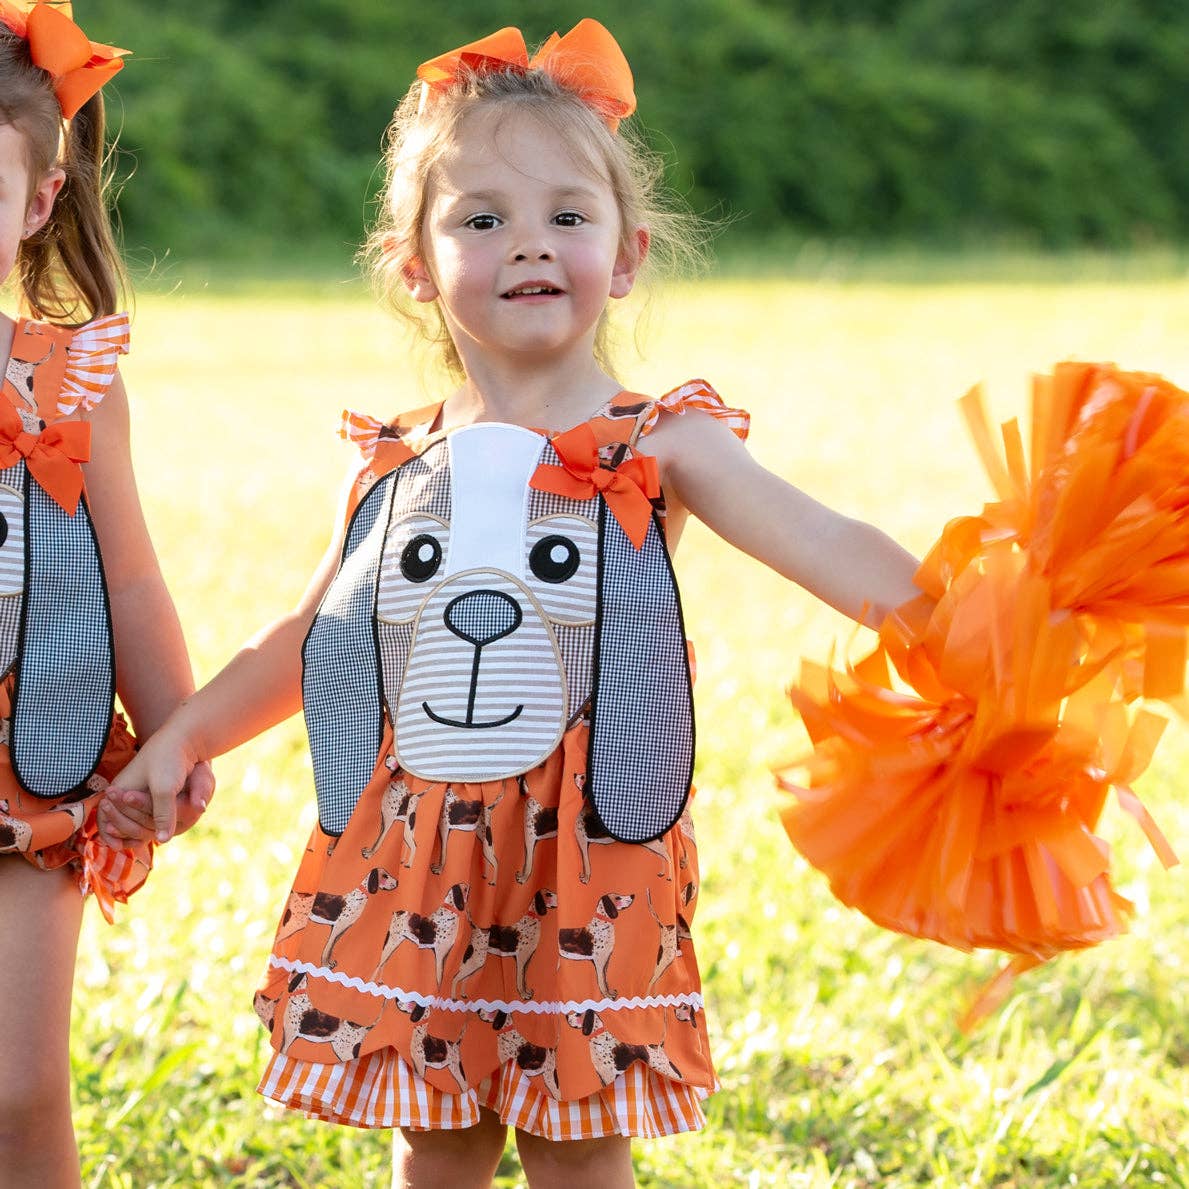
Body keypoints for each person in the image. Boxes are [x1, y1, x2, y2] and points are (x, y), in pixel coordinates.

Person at [102, 19, 918, 1188]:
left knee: (577, 1134)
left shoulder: (657, 440)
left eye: (566, 217)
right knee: (433, 1131)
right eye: (481, 220)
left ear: (626, 255)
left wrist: (964, 623)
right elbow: (311, 639)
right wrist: (183, 734)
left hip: (586, 857)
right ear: (414, 265)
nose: (528, 243)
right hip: (413, 853)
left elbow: (823, 540)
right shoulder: (395, 460)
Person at [0, 3, 212, 1184]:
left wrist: (176, 728)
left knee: (19, 1092)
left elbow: (128, 574)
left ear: (38, 203)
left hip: (33, 765)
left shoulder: (69, 385)